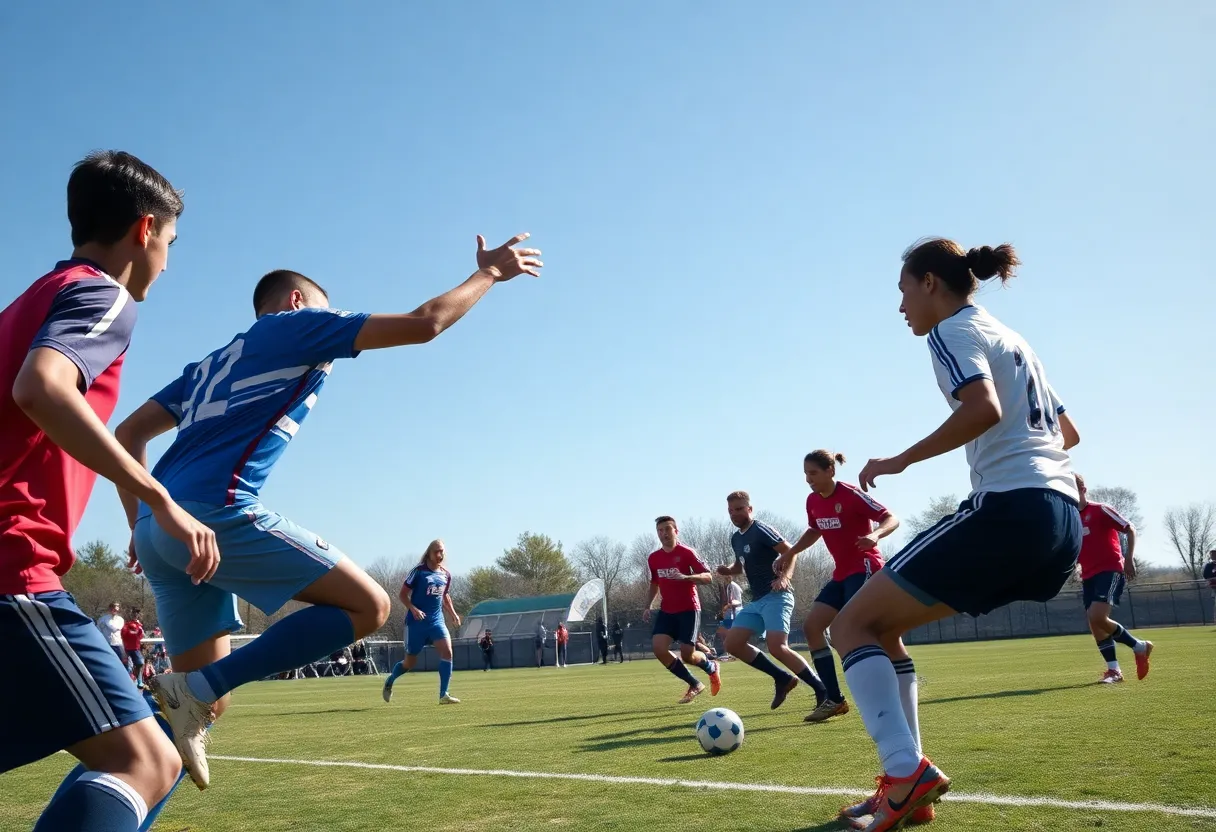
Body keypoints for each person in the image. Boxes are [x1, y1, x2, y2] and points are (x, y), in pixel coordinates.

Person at [117, 233, 541, 791]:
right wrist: (490, 275)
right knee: (367, 606)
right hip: (215, 515)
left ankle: (135, 764)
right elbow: (425, 322)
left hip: (163, 530)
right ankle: (191, 689)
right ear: (297, 303)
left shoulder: (210, 363)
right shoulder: (293, 327)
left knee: (202, 708)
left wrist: (144, 521)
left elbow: (128, 433)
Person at [829, 239, 1082, 831]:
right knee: (883, 629)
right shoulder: (1016, 339)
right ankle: (908, 782)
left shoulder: (951, 331)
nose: (900, 308)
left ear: (930, 284)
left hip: (1013, 510)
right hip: (1062, 520)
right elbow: (1067, 433)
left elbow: (983, 409)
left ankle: (903, 771)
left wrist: (899, 461)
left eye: (902, 291)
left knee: (849, 626)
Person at [1, 150, 210, 832]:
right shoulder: (100, 293)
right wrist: (158, 498)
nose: (168, 263)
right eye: (171, 244)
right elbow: (42, 389)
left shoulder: (31, 300)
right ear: (144, 230)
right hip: (12, 567)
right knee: (148, 759)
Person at [782, 452, 900, 723]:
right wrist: (790, 553)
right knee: (813, 627)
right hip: (842, 574)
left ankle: (894, 676)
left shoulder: (850, 494)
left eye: (812, 473)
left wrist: (874, 535)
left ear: (829, 471)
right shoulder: (812, 500)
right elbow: (814, 530)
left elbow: (891, 517)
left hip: (865, 566)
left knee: (848, 629)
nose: (808, 479)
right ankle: (834, 699)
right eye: (805, 473)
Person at [718, 491, 827, 710]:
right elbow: (740, 566)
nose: (734, 514)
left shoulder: (760, 529)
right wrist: (728, 569)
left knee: (777, 647)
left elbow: (790, 552)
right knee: (732, 643)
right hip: (757, 601)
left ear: (750, 509)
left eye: (739, 509)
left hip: (777, 597)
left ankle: (822, 690)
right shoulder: (736, 538)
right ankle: (782, 678)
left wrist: (785, 577)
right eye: (731, 510)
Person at [1074, 473, 1151, 682]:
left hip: (1110, 570)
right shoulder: (1071, 518)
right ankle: (1114, 670)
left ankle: (1139, 646)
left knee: (1097, 616)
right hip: (1088, 575)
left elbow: (1129, 528)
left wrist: (1128, 558)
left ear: (1083, 489)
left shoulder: (1100, 510)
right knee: (1094, 622)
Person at [644, 516, 722, 703]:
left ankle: (711, 667)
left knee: (687, 655)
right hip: (667, 610)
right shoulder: (654, 558)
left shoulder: (687, 553)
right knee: (659, 648)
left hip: (689, 609)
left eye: (667, 529)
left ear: (675, 531)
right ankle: (694, 684)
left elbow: (708, 577)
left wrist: (686, 577)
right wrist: (648, 605)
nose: (663, 534)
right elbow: (654, 582)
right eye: (660, 530)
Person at [382, 540, 462, 703]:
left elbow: (445, 596)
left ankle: (443, 695)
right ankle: (390, 681)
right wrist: (413, 608)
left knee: (447, 651)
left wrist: (453, 614)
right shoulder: (418, 572)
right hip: (416, 624)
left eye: (442, 551)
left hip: (436, 622)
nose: (440, 555)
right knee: (409, 662)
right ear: (429, 553)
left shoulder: (445, 574)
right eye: (436, 552)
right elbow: (403, 594)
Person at [122, 610, 148, 689]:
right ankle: (127, 681)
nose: (135, 616)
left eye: (136, 614)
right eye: (133, 614)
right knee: (127, 665)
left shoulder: (139, 624)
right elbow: (124, 633)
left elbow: (141, 635)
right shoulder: (126, 623)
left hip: (135, 647)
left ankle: (139, 681)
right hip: (126, 647)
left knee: (140, 663)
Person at [1205, 551, 1216, 623]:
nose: (1212, 556)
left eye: (1214, 554)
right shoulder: (1209, 565)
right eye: (1211, 554)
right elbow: (1206, 575)